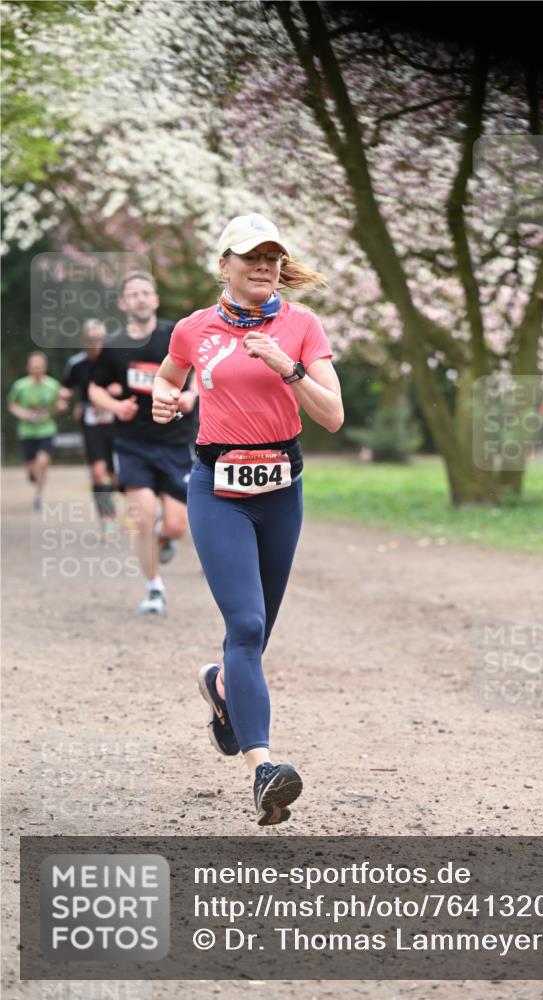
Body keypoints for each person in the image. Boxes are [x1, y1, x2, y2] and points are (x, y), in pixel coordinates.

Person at [152, 213, 343, 826]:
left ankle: (224, 688)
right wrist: (164, 397)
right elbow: (169, 376)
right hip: (217, 487)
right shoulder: (193, 328)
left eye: (272, 257)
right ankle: (263, 769)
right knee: (246, 621)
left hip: (282, 488)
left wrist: (285, 366)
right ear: (225, 264)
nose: (263, 265)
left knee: (255, 639)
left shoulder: (301, 326)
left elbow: (334, 415)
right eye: (250, 256)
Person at [88, 271, 198, 615]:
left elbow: (198, 374)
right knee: (143, 515)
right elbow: (93, 389)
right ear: (123, 303)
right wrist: (115, 406)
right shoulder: (114, 346)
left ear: (155, 299)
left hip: (176, 440)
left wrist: (190, 396)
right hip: (133, 442)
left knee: (177, 527)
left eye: (145, 293)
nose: (139, 298)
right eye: (132, 294)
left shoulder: (174, 336)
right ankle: (154, 588)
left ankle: (164, 538)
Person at [61, 319, 119, 534]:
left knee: (116, 476)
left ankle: (115, 502)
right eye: (92, 339)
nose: (97, 343)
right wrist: (64, 398)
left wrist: (118, 389)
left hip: (116, 421)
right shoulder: (76, 364)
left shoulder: (115, 360)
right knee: (97, 472)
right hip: (92, 422)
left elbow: (129, 385)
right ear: (84, 341)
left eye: (101, 339)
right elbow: (65, 387)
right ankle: (106, 518)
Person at [7, 351, 66, 510]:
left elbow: (58, 405)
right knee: (31, 468)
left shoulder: (53, 385)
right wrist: (22, 413)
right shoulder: (20, 386)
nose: (37, 370)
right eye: (34, 367)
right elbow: (12, 404)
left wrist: (60, 406)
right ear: (29, 368)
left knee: (42, 462)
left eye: (40, 367)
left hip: (46, 430)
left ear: (45, 368)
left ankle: (38, 496)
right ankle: (33, 475)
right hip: (27, 432)